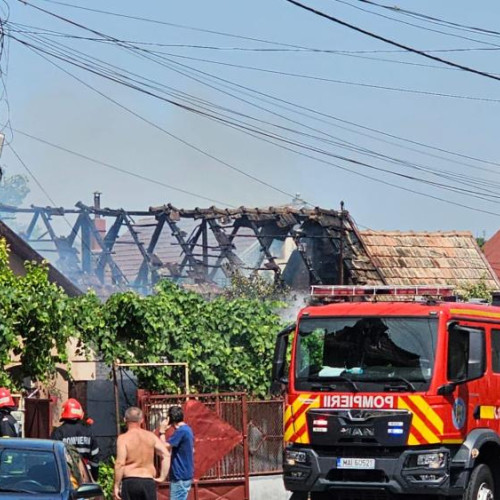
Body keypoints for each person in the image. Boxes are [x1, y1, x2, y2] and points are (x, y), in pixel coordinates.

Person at [114, 407, 170, 500]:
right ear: (142, 420)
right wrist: (162, 477)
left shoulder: (123, 438)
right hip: (148, 481)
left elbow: (120, 463)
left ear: (125, 420)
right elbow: (166, 455)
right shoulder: (151, 436)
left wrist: (116, 485)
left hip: (130, 481)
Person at [51, 398, 100, 480]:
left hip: (65, 476)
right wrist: (94, 478)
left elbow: (53, 457)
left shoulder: (58, 432)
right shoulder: (88, 432)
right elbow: (95, 459)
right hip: (85, 477)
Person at [159, 406, 194, 500]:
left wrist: (162, 432)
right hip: (185, 473)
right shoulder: (187, 429)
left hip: (180, 475)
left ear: (170, 418)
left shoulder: (181, 431)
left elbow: (164, 447)